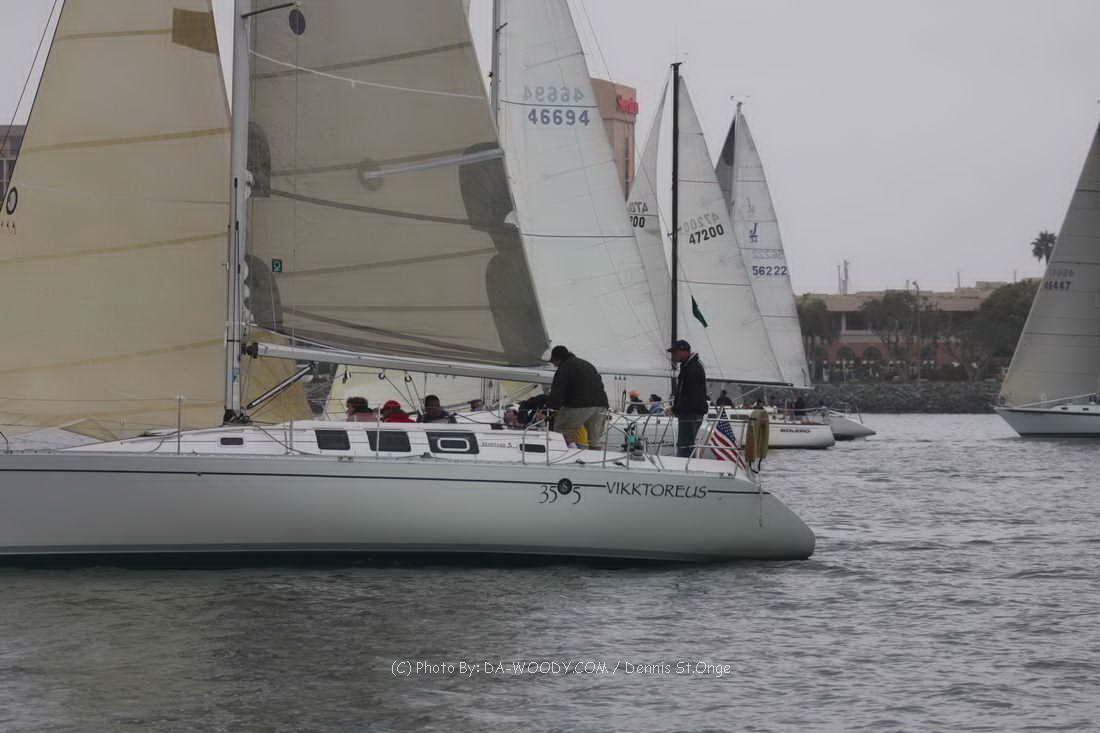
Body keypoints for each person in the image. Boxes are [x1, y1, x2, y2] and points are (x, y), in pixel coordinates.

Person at [546, 345, 609, 449]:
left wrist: (550, 407)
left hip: (580, 405)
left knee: (560, 430)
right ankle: (596, 456)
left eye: (553, 362)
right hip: (601, 405)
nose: (554, 365)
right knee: (594, 440)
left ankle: (566, 452)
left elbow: (558, 390)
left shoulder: (565, 367)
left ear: (558, 359)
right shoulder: (587, 364)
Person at [668, 339, 706, 458]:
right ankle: (687, 465)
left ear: (684, 352)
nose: (673, 355)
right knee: (686, 445)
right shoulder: (688, 366)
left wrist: (674, 409)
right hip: (690, 413)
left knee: (685, 446)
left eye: (675, 352)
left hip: (691, 414)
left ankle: (685, 466)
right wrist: (676, 408)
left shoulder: (692, 369)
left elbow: (691, 396)